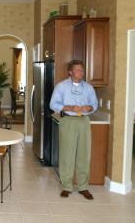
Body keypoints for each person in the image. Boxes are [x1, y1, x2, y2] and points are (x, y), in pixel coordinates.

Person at [50, 60, 98, 200]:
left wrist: (89, 108)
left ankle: (83, 187)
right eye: (77, 70)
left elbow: (94, 104)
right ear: (70, 72)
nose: (80, 72)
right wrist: (70, 108)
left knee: (84, 154)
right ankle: (66, 186)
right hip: (68, 121)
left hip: (84, 121)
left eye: (82, 70)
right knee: (67, 154)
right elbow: (53, 104)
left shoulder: (89, 88)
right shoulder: (61, 86)